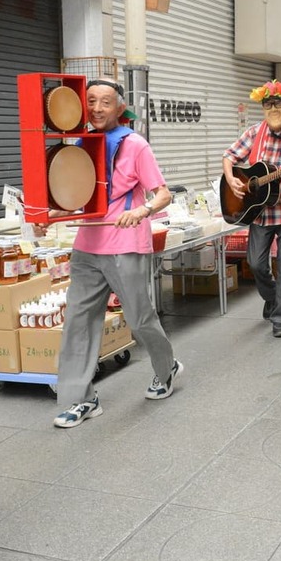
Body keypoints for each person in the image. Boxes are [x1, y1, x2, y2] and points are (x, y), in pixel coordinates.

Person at [52, 79, 179, 429]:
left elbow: (163, 194)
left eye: (104, 102)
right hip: (87, 246)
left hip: (125, 243)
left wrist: (142, 211)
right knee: (78, 322)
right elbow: (76, 197)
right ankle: (82, 399)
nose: (96, 108)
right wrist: (48, 216)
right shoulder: (81, 144)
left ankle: (166, 368)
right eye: (90, 101)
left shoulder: (136, 145)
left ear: (119, 108)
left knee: (139, 319)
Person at [222, 79, 281, 337]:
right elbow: (229, 156)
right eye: (268, 104)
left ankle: (280, 318)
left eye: (278, 103)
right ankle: (271, 297)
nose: (273, 108)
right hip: (259, 210)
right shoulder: (253, 132)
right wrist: (231, 179)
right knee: (256, 264)